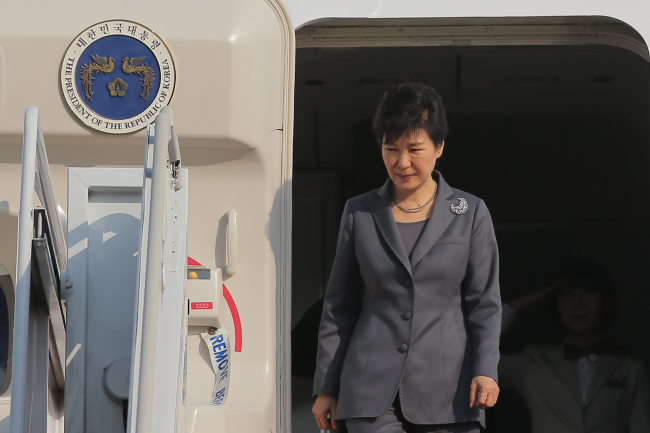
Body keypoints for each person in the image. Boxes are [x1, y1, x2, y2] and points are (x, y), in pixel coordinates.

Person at [312, 83, 502, 433]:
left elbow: (485, 304)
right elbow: (340, 305)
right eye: (391, 149)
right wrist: (327, 386)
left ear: (439, 147)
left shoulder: (470, 212)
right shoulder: (360, 211)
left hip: (450, 393)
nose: (402, 162)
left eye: (415, 149)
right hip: (368, 393)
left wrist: (486, 369)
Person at [499, 258, 650, 433]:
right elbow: (464, 360)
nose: (577, 303)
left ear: (607, 303)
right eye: (567, 293)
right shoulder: (533, 362)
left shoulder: (631, 369)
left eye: (589, 292)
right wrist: (513, 308)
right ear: (555, 303)